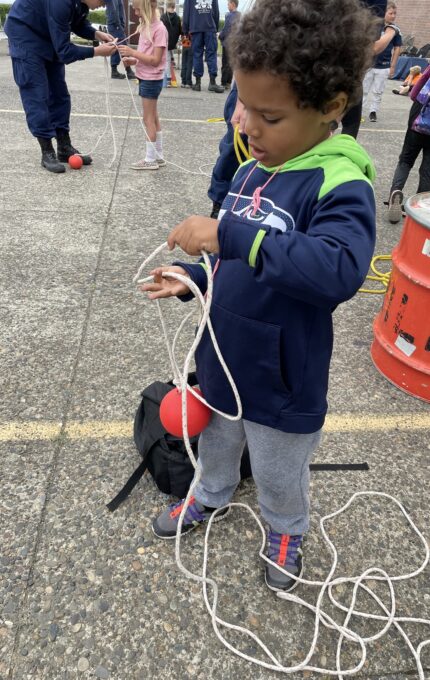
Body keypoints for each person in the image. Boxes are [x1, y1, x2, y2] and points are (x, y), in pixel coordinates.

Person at [142, 0, 377, 593]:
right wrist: (192, 276)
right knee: (216, 445)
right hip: (225, 360)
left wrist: (229, 232)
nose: (246, 126)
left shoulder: (338, 181)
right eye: (244, 107)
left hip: (283, 379)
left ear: (330, 108)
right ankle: (211, 496)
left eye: (268, 116)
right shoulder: (253, 170)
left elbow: (338, 268)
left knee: (278, 469)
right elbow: (232, 261)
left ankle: (286, 529)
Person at [4, 0, 116, 173]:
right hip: (25, 37)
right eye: (103, 0)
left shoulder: (80, 4)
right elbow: (65, 52)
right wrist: (96, 51)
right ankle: (47, 150)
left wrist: (96, 34)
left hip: (48, 37)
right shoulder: (60, 2)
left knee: (60, 94)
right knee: (37, 94)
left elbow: (77, 23)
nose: (103, 5)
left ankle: (64, 147)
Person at [118, 0, 167, 170]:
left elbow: (155, 60)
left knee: (148, 120)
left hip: (151, 80)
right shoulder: (147, 27)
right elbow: (146, 56)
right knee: (153, 118)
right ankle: (158, 156)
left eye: (138, 10)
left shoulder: (159, 29)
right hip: (147, 78)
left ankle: (150, 159)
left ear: (147, 8)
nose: (136, 13)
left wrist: (132, 52)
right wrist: (133, 60)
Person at [387, 64, 430, 223]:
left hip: (419, 118)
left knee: (405, 161)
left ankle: (396, 192)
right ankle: (419, 209)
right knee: (427, 170)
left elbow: (416, 90)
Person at [362, 2, 402, 122]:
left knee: (378, 91)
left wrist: (393, 66)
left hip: (383, 66)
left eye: (395, 14)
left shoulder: (395, 30)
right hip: (369, 65)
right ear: (383, 13)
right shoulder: (373, 26)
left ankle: (373, 111)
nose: (393, 16)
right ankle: (359, 112)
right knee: (363, 90)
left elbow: (397, 48)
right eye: (390, 13)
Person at [182, 0, 224, 93]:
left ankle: (197, 83)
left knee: (197, 54)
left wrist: (185, 29)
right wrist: (215, 27)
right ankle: (212, 82)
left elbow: (186, 12)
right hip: (209, 27)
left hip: (196, 27)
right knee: (211, 53)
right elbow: (216, 11)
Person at [106, 0, 135, 79]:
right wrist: (119, 24)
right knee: (122, 46)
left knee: (118, 46)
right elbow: (113, 10)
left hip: (116, 25)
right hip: (115, 25)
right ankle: (127, 70)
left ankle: (117, 70)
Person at [219, 0, 240, 90]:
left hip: (227, 42)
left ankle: (223, 83)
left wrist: (220, 36)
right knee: (231, 64)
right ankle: (228, 82)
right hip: (235, 43)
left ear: (233, 4)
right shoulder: (240, 15)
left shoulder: (229, 16)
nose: (227, 6)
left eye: (228, 4)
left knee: (225, 63)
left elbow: (226, 29)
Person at [160, 1, 182, 87]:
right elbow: (180, 31)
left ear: (166, 6)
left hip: (164, 41)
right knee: (168, 59)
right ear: (174, 7)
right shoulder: (178, 18)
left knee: (166, 60)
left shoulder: (163, 17)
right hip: (173, 42)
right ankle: (168, 79)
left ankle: (167, 79)